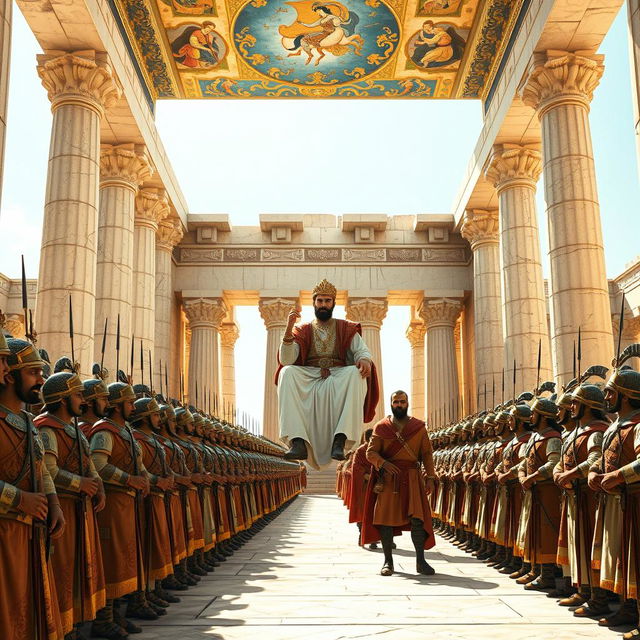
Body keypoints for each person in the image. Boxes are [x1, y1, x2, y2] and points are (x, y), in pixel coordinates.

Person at [0, 336, 65, 640]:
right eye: (34, 373)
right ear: (9, 376)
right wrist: (20, 499)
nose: (42, 380)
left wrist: (53, 502)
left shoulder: (27, 421)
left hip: (29, 532)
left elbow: (40, 468)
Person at [276, 279, 379, 469]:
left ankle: (340, 439)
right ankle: (297, 441)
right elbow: (287, 359)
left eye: (327, 301)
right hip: (310, 374)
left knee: (355, 375)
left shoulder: (345, 327)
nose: (323, 305)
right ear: (314, 303)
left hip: (337, 375)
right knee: (287, 373)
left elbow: (361, 351)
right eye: (320, 301)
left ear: (333, 304)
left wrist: (364, 359)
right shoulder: (302, 329)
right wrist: (289, 328)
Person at [35, 370, 107, 640]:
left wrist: (97, 484)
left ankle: (76, 625)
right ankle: (64, 630)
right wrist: (81, 485)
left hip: (82, 511)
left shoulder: (72, 431)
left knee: (79, 569)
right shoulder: (46, 428)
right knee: (63, 571)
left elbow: (89, 464)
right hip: (64, 507)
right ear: (63, 399)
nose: (83, 400)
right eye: (78, 395)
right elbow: (48, 470)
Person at [361, 390, 436, 576]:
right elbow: (371, 453)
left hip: (412, 477)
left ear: (407, 403)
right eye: (396, 402)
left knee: (417, 520)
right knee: (386, 520)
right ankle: (388, 562)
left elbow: (427, 454)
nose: (399, 405)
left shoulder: (419, 428)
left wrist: (431, 477)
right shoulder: (381, 427)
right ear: (391, 404)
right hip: (388, 479)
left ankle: (421, 561)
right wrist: (384, 463)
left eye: (402, 402)